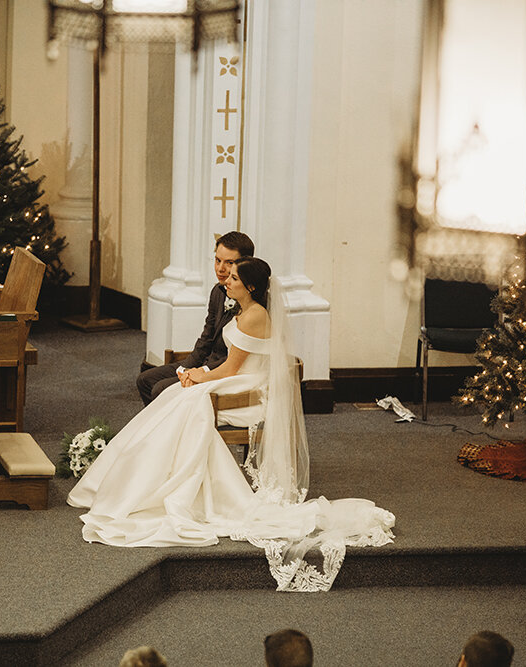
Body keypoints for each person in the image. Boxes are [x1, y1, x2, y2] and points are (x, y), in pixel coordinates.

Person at [68, 257, 395, 592]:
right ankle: (152, 478)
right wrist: (196, 375)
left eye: (235, 277)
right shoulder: (245, 309)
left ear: (250, 286)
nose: (227, 280)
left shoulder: (255, 315)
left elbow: (232, 369)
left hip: (246, 391)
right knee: (177, 401)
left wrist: (198, 375)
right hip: (237, 380)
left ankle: (165, 482)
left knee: (184, 403)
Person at [136, 231, 255, 405]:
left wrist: (202, 372)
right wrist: (186, 367)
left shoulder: (253, 304)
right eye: (217, 260)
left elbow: (234, 360)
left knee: (161, 388)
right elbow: (206, 337)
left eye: (229, 263)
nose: (220, 269)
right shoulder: (218, 292)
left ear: (244, 264)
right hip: (206, 363)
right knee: (145, 380)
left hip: (227, 373)